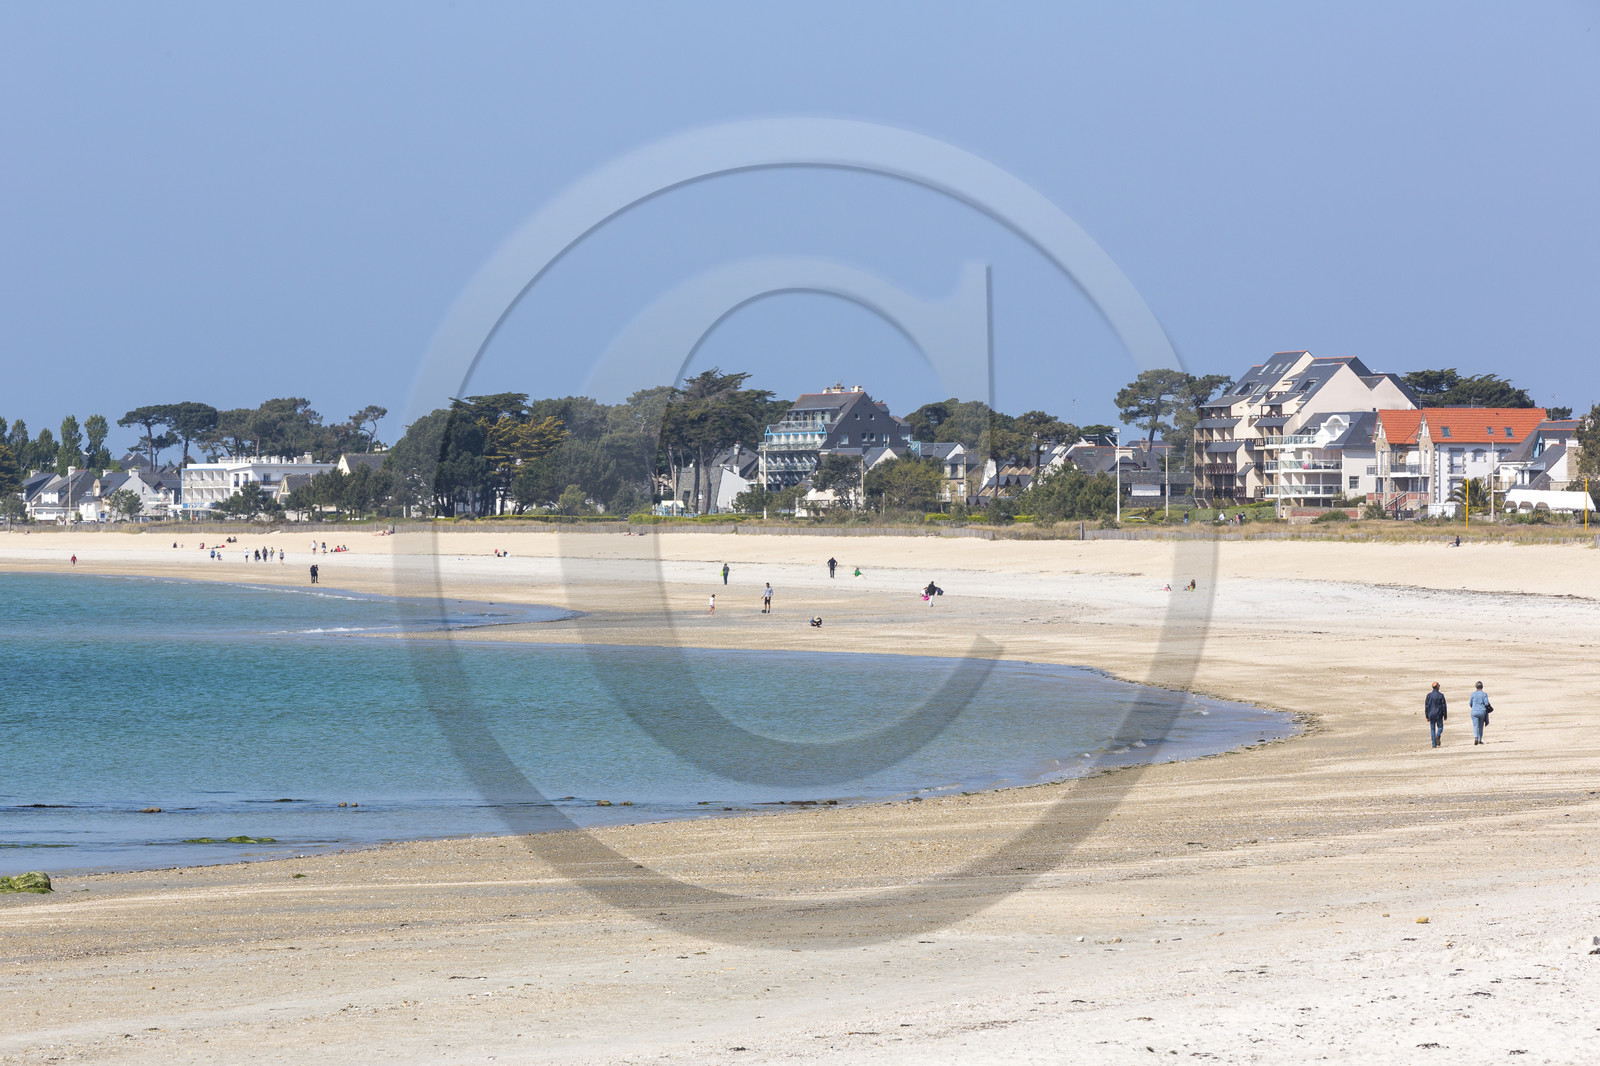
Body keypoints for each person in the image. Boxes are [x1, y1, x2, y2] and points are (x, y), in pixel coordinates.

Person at [1424, 682, 1447, 747]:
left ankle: (1434, 744)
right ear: (1437, 687)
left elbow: (1426, 706)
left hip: (1431, 714)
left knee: (1432, 729)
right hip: (1439, 714)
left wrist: (1427, 716)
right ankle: (1437, 735)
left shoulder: (1429, 695)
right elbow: (1444, 706)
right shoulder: (1441, 695)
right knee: (1440, 727)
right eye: (1439, 685)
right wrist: (1445, 715)